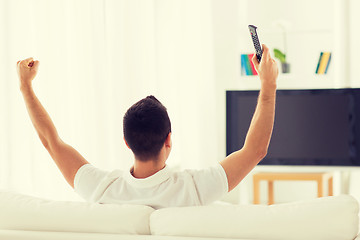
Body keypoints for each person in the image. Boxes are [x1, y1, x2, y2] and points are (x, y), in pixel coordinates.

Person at [17, 44, 278, 209]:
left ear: (126, 141)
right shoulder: (194, 189)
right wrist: (268, 85)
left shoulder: (101, 189)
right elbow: (255, 150)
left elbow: (51, 142)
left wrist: (25, 86)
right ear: (169, 140)